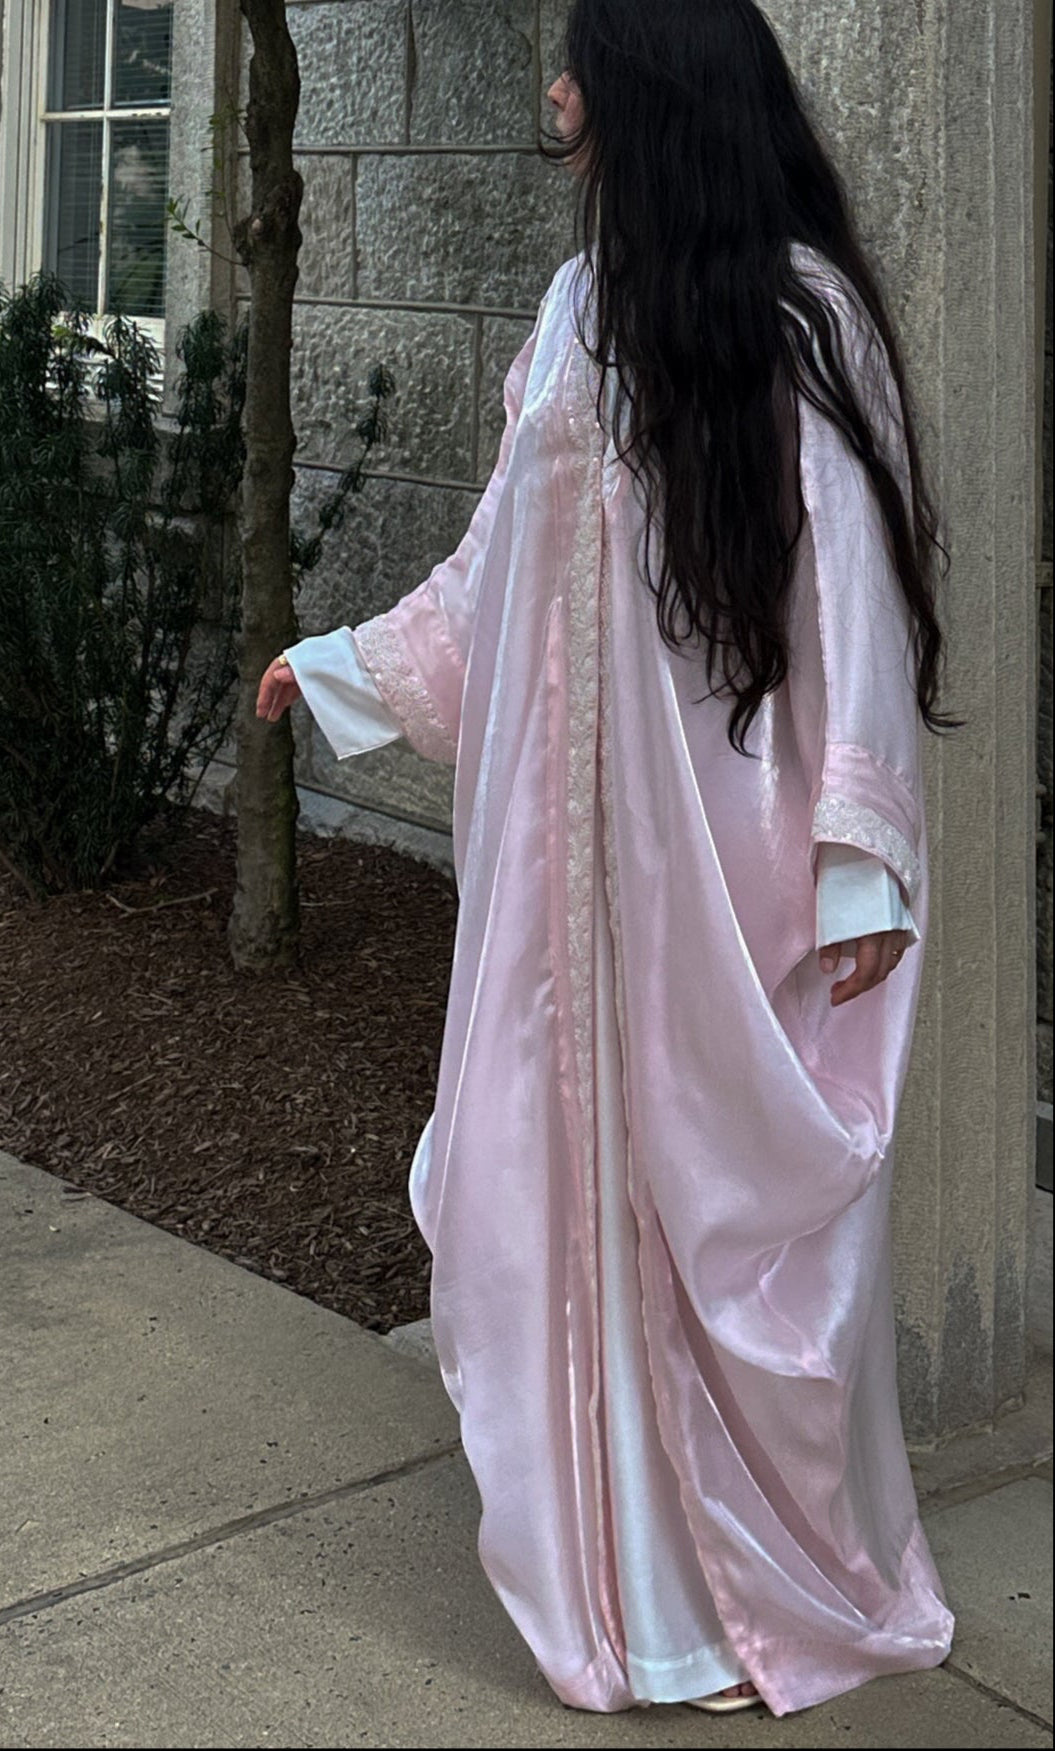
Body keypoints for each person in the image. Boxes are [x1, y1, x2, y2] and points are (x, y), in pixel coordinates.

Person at [256, 0, 955, 1719]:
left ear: (654, 91)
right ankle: (635, 1598)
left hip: (720, 864)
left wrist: (859, 853)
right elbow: (501, 557)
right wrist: (346, 665)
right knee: (554, 1198)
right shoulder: (577, 311)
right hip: (559, 875)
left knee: (707, 1204)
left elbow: (849, 593)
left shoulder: (802, 317)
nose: (552, 90)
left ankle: (738, 1603)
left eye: (578, 61)